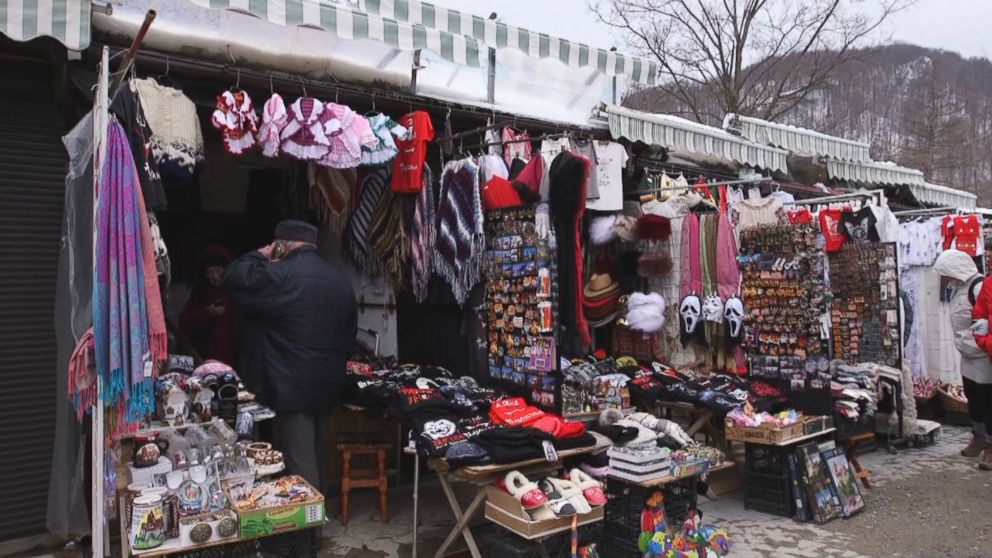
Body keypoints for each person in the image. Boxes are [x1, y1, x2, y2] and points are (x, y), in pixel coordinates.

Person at [221, 220, 357, 493]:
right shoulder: (339, 281)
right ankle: (316, 521)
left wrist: (260, 255)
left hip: (292, 386)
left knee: (299, 465)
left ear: (282, 245)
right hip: (328, 384)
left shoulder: (282, 275)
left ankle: (310, 531)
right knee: (316, 457)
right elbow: (349, 334)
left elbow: (233, 277)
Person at [934, 249, 992, 469]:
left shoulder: (978, 287)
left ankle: (990, 446)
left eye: (946, 272)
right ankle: (978, 437)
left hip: (983, 354)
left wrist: (982, 338)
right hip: (968, 353)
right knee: (973, 397)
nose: (944, 278)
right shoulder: (958, 289)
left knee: (987, 400)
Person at [179, 244, 236, 365]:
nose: (215, 276)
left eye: (218, 270)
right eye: (210, 272)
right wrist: (206, 312)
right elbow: (184, 323)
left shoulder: (238, 289)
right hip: (208, 360)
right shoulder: (200, 292)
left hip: (236, 360)